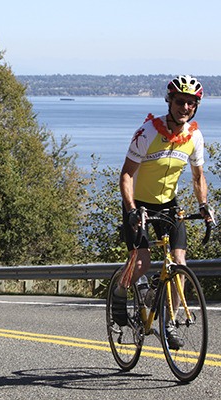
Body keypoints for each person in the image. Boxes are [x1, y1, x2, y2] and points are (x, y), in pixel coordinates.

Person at [114, 75, 214, 349]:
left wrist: (203, 206)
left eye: (191, 104)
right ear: (169, 101)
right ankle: (120, 290)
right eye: (180, 101)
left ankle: (169, 321)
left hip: (169, 205)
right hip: (140, 204)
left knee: (179, 264)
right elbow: (126, 174)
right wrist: (132, 210)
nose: (185, 108)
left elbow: (198, 177)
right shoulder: (148, 132)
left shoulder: (194, 137)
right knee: (142, 263)